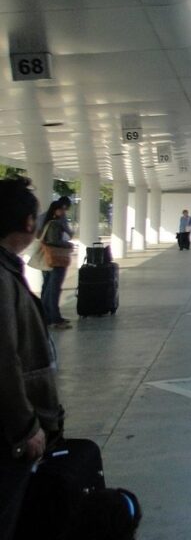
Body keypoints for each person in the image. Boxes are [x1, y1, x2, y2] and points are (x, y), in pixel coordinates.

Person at [0, 177, 63, 540]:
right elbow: (5, 359)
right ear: (28, 223)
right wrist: (26, 426)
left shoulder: (8, 269)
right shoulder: (2, 277)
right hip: (9, 436)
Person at [38, 197, 74, 329]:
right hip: (56, 260)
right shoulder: (55, 223)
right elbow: (54, 241)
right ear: (57, 210)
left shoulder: (45, 220)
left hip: (47, 259)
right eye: (62, 209)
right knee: (53, 289)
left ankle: (46, 317)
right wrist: (67, 244)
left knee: (47, 288)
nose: (64, 212)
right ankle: (55, 318)